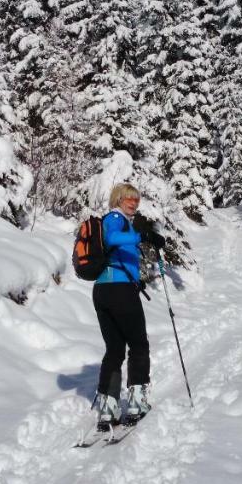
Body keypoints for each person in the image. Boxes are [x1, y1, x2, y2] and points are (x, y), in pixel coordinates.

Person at [93, 182, 166, 429]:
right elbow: (112, 237)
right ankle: (136, 401)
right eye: (128, 199)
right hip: (120, 290)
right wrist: (142, 236)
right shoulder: (115, 218)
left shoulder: (120, 220)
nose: (133, 203)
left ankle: (108, 407)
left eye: (136, 199)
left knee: (114, 349)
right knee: (138, 343)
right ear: (117, 200)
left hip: (103, 291)